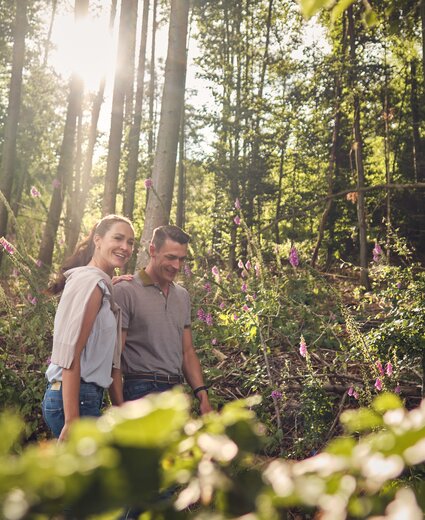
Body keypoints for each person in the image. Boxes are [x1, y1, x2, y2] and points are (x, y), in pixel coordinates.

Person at [42, 214, 135, 441]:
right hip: (76, 399)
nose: (125, 247)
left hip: (83, 396)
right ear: (98, 239)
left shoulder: (98, 285)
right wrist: (72, 419)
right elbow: (71, 352)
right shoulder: (90, 283)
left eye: (130, 242)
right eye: (118, 238)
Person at [114, 224, 212, 414]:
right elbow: (114, 358)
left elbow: (187, 351)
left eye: (182, 259)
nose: (177, 266)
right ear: (153, 250)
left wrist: (202, 395)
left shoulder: (182, 296)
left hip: (176, 392)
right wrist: (119, 410)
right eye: (171, 257)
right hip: (141, 391)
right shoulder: (125, 291)